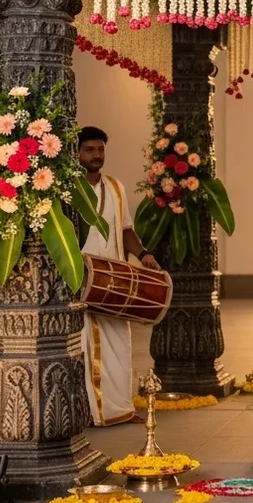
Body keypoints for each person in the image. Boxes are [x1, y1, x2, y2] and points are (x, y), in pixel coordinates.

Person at [77, 126, 159, 427]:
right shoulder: (68, 188)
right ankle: (88, 411)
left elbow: (125, 230)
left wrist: (144, 254)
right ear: (77, 153)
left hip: (114, 280)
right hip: (82, 280)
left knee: (118, 344)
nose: (97, 155)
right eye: (90, 150)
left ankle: (118, 408)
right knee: (84, 346)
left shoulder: (115, 187)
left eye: (100, 149)